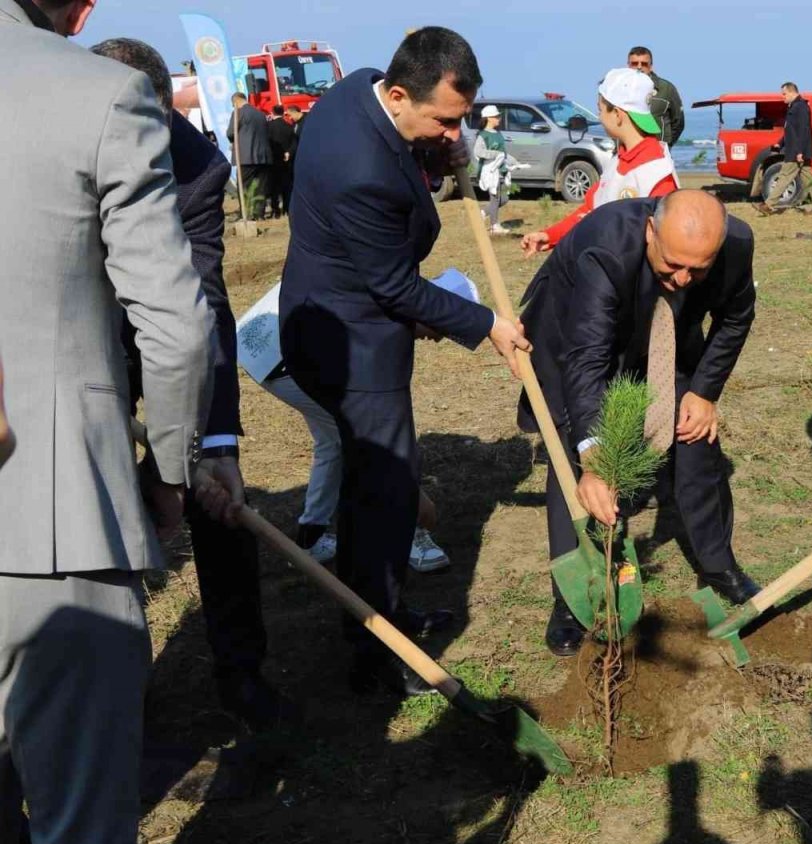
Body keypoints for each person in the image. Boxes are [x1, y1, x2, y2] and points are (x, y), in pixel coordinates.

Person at [0, 0, 214, 844]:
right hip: (50, 522)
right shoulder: (102, 94)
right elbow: (174, 326)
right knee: (81, 823)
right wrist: (168, 472)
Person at [279, 26, 530, 697]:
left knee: (377, 490)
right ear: (398, 93)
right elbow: (393, 286)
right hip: (353, 344)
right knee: (384, 498)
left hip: (332, 312)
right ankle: (376, 654)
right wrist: (488, 326)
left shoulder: (356, 89)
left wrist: (429, 159)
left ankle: (385, 615)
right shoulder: (361, 170)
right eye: (445, 120)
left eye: (463, 119)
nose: (455, 134)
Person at [89, 37, 297, 732]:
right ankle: (119, 679)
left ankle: (244, 677)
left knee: (217, 498)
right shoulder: (51, 138)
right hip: (73, 341)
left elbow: (202, 299)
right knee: (97, 506)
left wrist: (211, 440)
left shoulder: (195, 163)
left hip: (163, 327)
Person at [518, 190, 761, 655]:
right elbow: (587, 358)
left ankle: (719, 565)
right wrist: (593, 456)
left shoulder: (734, 245)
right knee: (572, 456)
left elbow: (735, 318)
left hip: (668, 336)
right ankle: (571, 600)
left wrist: (704, 391)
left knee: (696, 440)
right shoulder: (605, 246)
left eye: (699, 270)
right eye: (673, 266)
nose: (684, 279)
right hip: (578, 336)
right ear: (651, 231)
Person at [237, 279, 453, 572]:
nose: (438, 339)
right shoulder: (382, 312)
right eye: (442, 329)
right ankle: (407, 535)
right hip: (278, 351)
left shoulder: (390, 298)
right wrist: (415, 496)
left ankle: (311, 536)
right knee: (362, 438)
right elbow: (373, 428)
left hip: (268, 344)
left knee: (332, 440)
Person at [521, 67, 678, 257]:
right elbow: (589, 211)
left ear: (618, 114)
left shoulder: (657, 173)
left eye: (600, 109)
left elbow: (664, 245)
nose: (600, 117)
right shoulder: (619, 159)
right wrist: (550, 235)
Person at [756, 83, 812, 215]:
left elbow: (803, 130)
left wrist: (800, 151)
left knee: (784, 176)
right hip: (798, 149)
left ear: (791, 92)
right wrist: (780, 143)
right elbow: (790, 130)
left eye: (784, 94)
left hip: (797, 150)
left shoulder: (800, 107)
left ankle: (768, 205)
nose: (782, 96)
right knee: (809, 178)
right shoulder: (795, 106)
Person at [474, 104, 522, 235]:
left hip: (501, 170)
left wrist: (514, 162)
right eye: (496, 116)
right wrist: (494, 154)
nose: (499, 118)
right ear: (489, 118)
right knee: (495, 199)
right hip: (490, 171)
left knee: (504, 199)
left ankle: (482, 213)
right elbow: (478, 151)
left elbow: (503, 153)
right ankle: (495, 226)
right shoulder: (483, 135)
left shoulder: (498, 133)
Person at [227, 91, 271, 219]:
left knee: (244, 187)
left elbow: (230, 133)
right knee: (261, 187)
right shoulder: (260, 113)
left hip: (245, 156)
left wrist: (233, 141)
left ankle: (247, 213)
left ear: (236, 101)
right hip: (263, 156)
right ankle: (260, 214)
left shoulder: (238, 113)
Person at [627, 45, 684, 146]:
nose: (639, 67)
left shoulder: (666, 89)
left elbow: (678, 123)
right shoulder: (618, 89)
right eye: (635, 64)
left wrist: (666, 145)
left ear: (651, 66)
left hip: (657, 154)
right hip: (627, 152)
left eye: (644, 64)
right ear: (628, 65)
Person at [266, 104, 296, 218]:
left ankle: (275, 209)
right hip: (286, 160)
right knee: (286, 186)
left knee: (274, 186)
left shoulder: (269, 126)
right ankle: (287, 209)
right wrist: (288, 152)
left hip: (273, 160)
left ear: (272, 112)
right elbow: (293, 142)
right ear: (283, 113)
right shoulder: (289, 126)